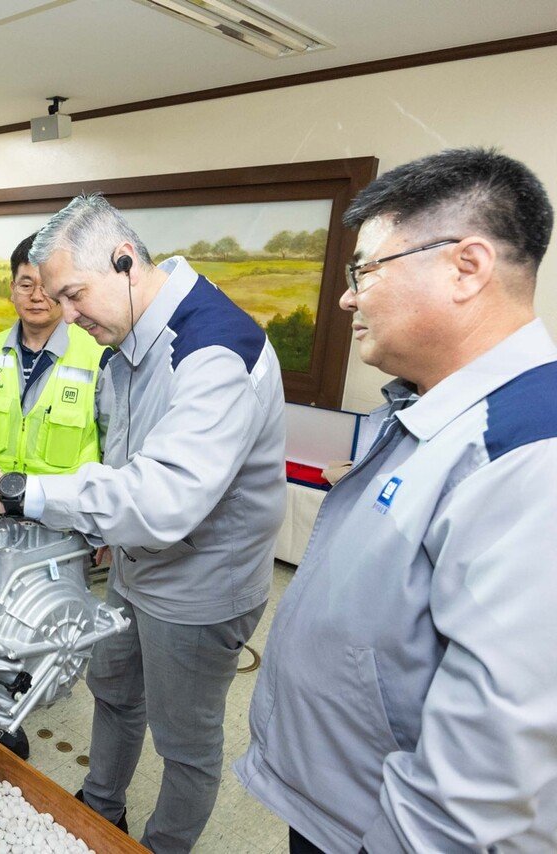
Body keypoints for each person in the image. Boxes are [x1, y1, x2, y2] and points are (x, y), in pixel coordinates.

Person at [236, 149, 557, 854]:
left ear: (466, 268)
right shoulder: (432, 411)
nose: (349, 296)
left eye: (366, 270)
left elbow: (489, 771)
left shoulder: (528, 452)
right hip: (344, 804)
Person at [0, 195, 285, 853]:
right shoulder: (127, 339)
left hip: (198, 588)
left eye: (74, 295)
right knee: (114, 692)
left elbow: (163, 498)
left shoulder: (213, 349)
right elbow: (121, 455)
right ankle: (102, 809)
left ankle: (161, 845)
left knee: (184, 737)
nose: (68, 315)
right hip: (134, 567)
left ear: (125, 261)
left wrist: (18, 491)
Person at [0, 233, 112, 468]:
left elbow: (114, 444)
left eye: (46, 286)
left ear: (62, 290)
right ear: (12, 289)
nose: (37, 296)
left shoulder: (98, 356)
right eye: (26, 285)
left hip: (64, 502)